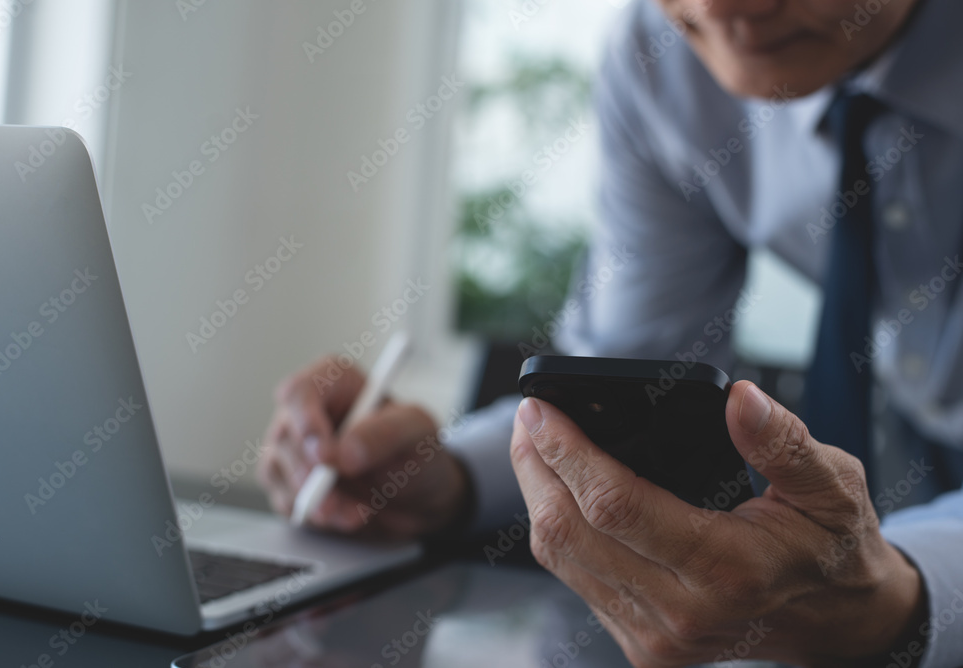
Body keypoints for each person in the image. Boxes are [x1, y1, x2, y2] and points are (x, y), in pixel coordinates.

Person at [258, 0, 963, 665]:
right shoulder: (664, 62)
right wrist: (447, 483)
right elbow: (633, 379)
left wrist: (905, 600)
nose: (715, 9)